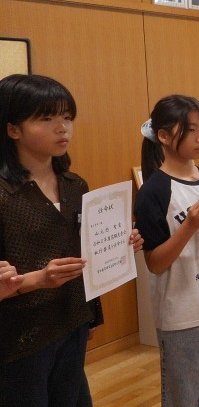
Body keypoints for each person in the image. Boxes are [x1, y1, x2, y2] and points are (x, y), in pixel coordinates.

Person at [0, 74, 143, 406]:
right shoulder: (5, 194)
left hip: (71, 320)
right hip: (20, 337)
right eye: (46, 118)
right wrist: (38, 279)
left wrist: (119, 244)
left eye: (67, 117)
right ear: (13, 130)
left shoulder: (75, 185)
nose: (62, 127)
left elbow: (82, 252)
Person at [133, 95, 199, 407]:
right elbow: (155, 263)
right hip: (183, 314)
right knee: (184, 399)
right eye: (191, 130)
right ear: (164, 136)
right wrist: (189, 225)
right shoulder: (153, 191)